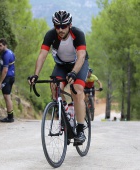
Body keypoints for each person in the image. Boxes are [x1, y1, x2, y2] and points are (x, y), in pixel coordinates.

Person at [28, 10, 89, 143]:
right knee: (54, 86)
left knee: (77, 90)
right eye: (57, 26)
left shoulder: (78, 34)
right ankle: (65, 114)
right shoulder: (50, 35)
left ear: (70, 25)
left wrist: (73, 72)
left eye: (63, 26)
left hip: (78, 64)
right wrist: (35, 74)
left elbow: (81, 56)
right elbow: (42, 55)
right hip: (61, 65)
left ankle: (80, 129)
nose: (60, 29)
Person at [0, 38, 15, 123]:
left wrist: (0, 82)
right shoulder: (9, 52)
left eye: (0, 45)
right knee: (8, 96)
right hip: (11, 76)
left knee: (6, 96)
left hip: (7, 77)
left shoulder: (6, 55)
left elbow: (5, 70)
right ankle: (10, 116)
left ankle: (10, 117)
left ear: (5, 45)